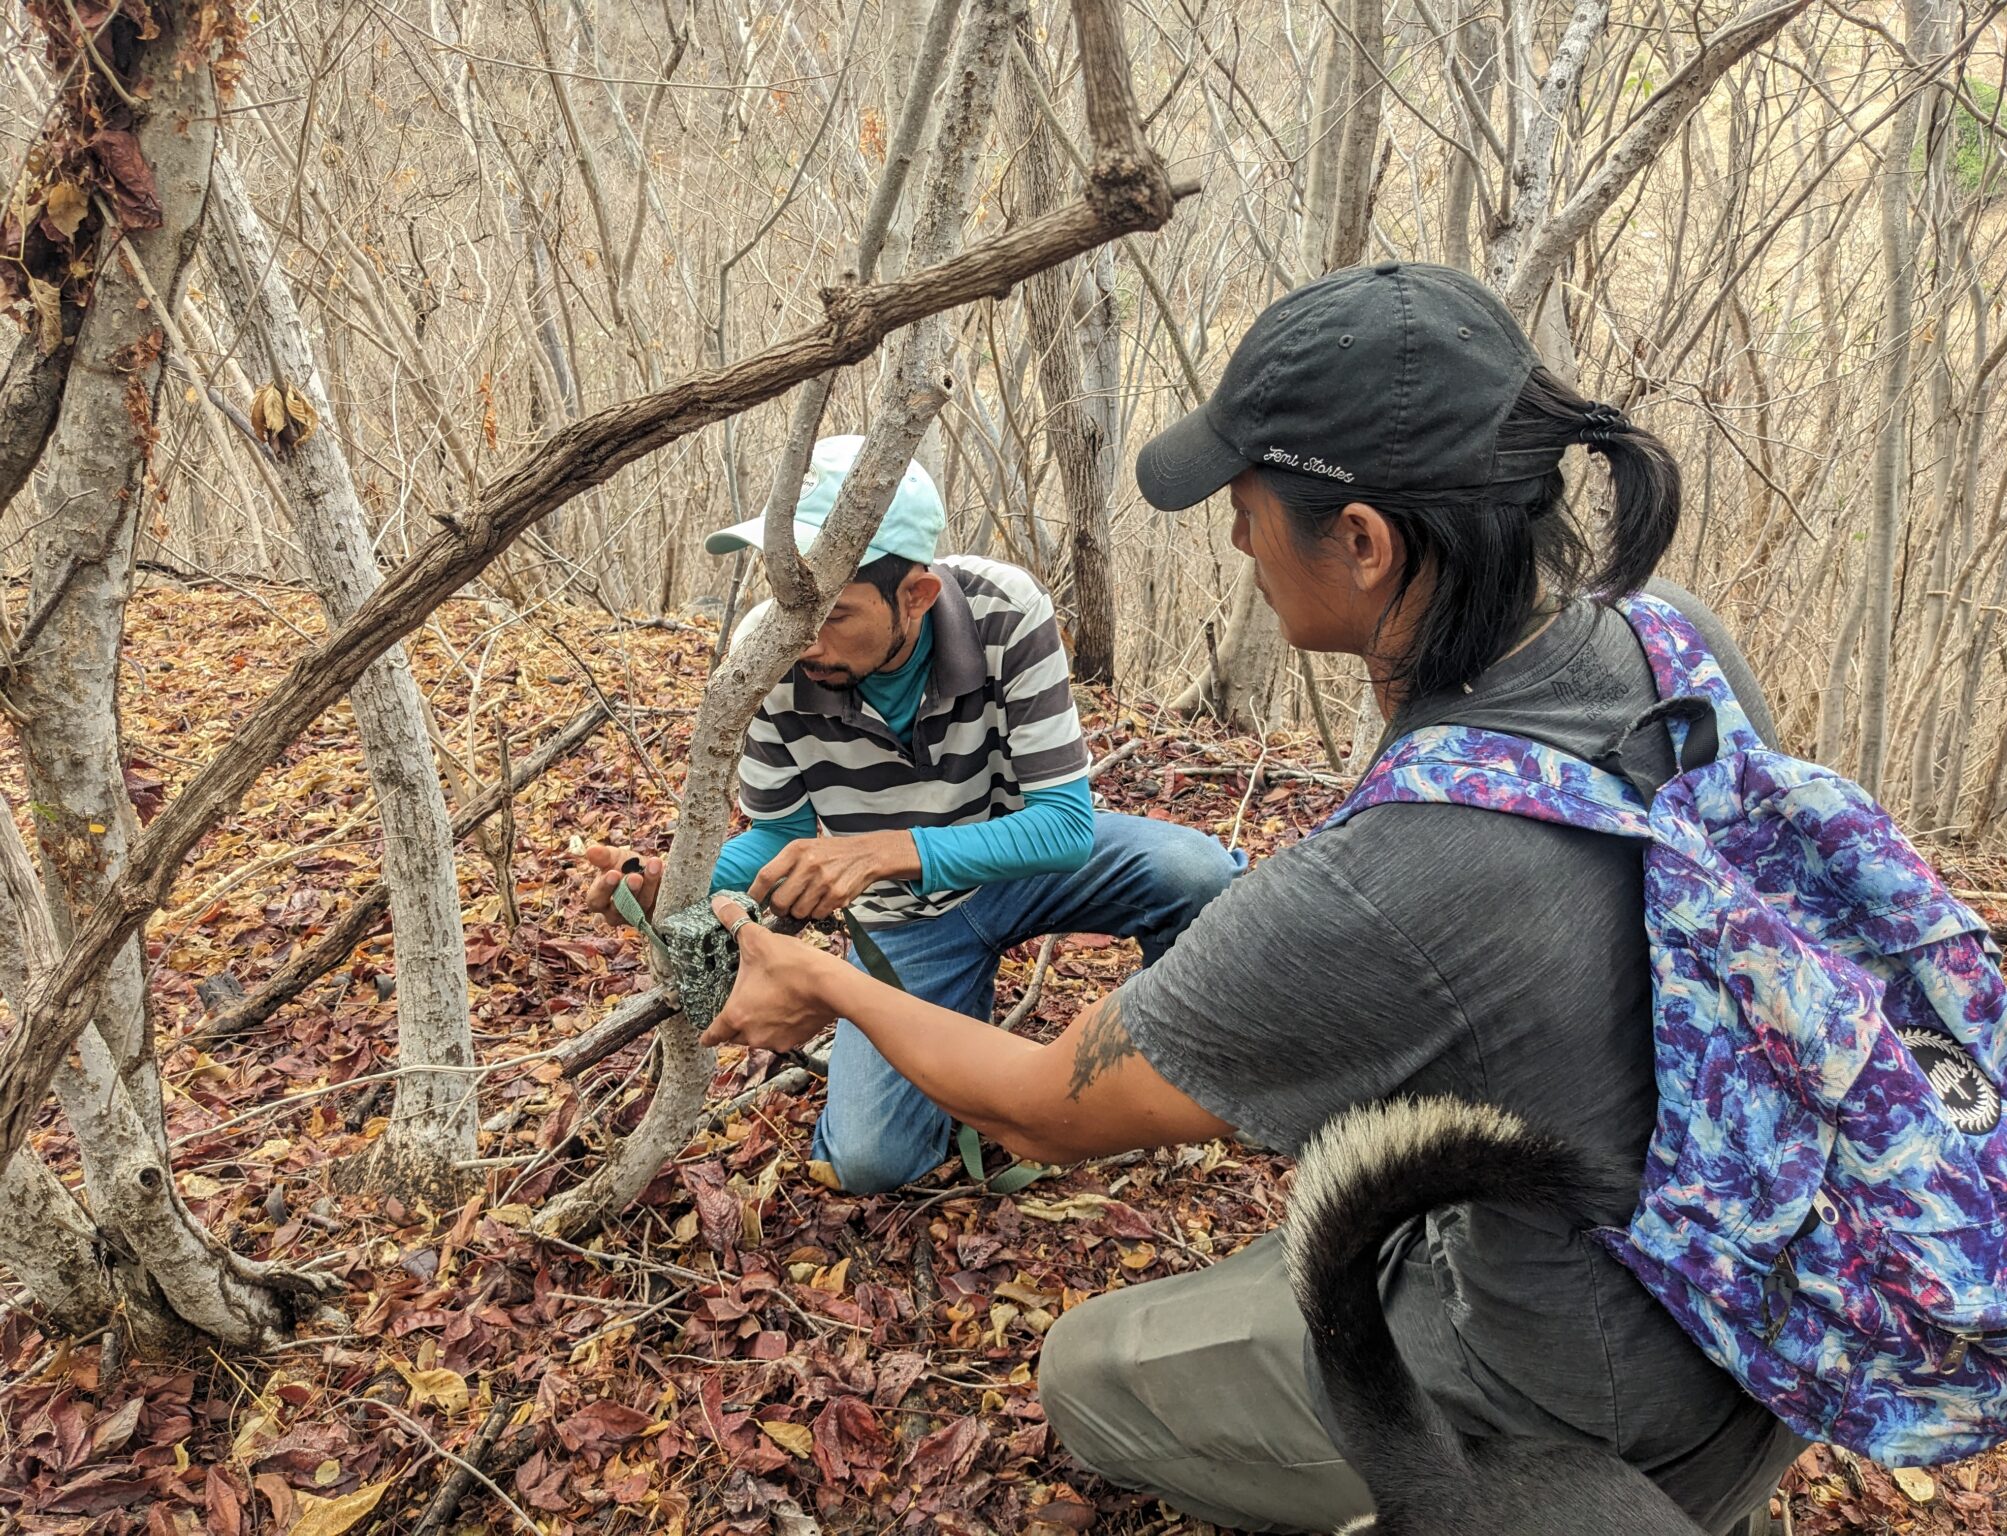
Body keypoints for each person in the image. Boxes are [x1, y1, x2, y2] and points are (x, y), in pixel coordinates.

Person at [697, 266, 1805, 1534]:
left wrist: (825, 979)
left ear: (1365, 541)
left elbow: (1041, 1113)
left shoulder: (1391, 880)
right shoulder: (1669, 636)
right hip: (1747, 1304)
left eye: (1246, 509)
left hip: (1566, 1409)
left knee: (1084, 1376)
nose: (1233, 541)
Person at [580, 434, 1241, 1195]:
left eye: (832, 614)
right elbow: (779, 836)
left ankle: (1194, 1065)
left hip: (1019, 858)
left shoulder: (1004, 611)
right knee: (869, 1162)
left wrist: (888, 849)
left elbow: (1064, 825)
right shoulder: (766, 652)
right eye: (791, 604)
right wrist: (673, 883)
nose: (803, 641)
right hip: (905, 919)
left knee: (1198, 875)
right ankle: (951, 1055)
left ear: (917, 597)